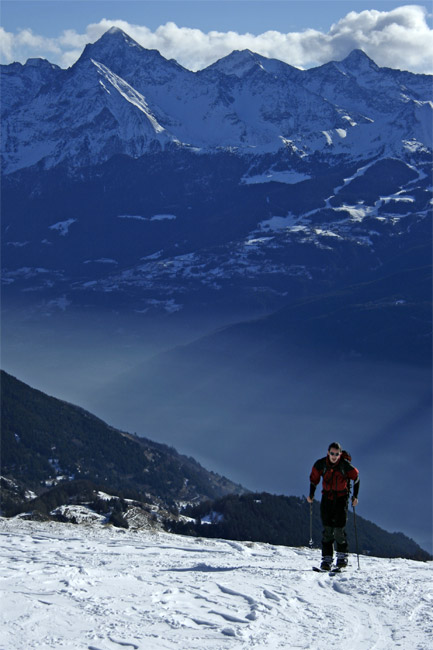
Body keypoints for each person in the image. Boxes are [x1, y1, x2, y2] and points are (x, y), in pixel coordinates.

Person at [307, 442, 359, 571]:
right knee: (328, 530)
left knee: (338, 530)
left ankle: (342, 558)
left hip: (341, 499)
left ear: (340, 454)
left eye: (336, 454)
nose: (334, 456)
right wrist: (311, 494)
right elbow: (314, 479)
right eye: (332, 453)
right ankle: (327, 560)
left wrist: (355, 497)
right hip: (327, 499)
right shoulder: (321, 464)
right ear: (328, 453)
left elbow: (356, 477)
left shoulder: (344, 465)